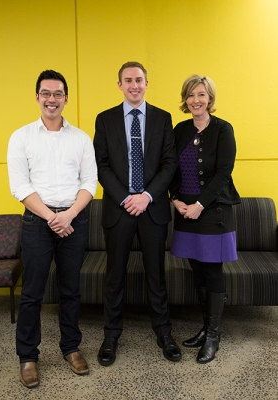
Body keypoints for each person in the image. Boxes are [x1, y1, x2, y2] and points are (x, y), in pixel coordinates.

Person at [7, 69, 97, 388]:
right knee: (32, 293)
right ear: (37, 97)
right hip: (37, 222)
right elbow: (19, 186)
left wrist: (68, 215)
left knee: (70, 289)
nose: (52, 99)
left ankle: (71, 348)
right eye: (46, 93)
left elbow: (89, 183)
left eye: (58, 94)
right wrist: (50, 216)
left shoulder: (81, 139)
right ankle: (28, 357)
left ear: (66, 99)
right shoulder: (21, 137)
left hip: (73, 220)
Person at [93, 61, 180, 366]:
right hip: (119, 210)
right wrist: (127, 198)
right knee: (115, 275)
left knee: (156, 275)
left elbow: (170, 163)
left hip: (152, 208)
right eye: (128, 80)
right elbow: (100, 166)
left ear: (147, 83)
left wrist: (145, 196)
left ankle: (164, 333)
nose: (134, 85)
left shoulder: (162, 118)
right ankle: (111, 335)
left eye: (139, 80)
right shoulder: (104, 120)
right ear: (120, 85)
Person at [169, 74, 240, 364]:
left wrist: (199, 204)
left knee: (212, 271)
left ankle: (213, 335)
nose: (195, 100)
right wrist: (175, 199)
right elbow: (170, 167)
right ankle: (204, 328)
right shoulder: (180, 129)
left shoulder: (223, 129)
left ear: (209, 98)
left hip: (213, 211)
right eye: (190, 95)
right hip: (185, 211)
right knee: (196, 269)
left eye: (201, 95)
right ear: (185, 100)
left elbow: (223, 173)